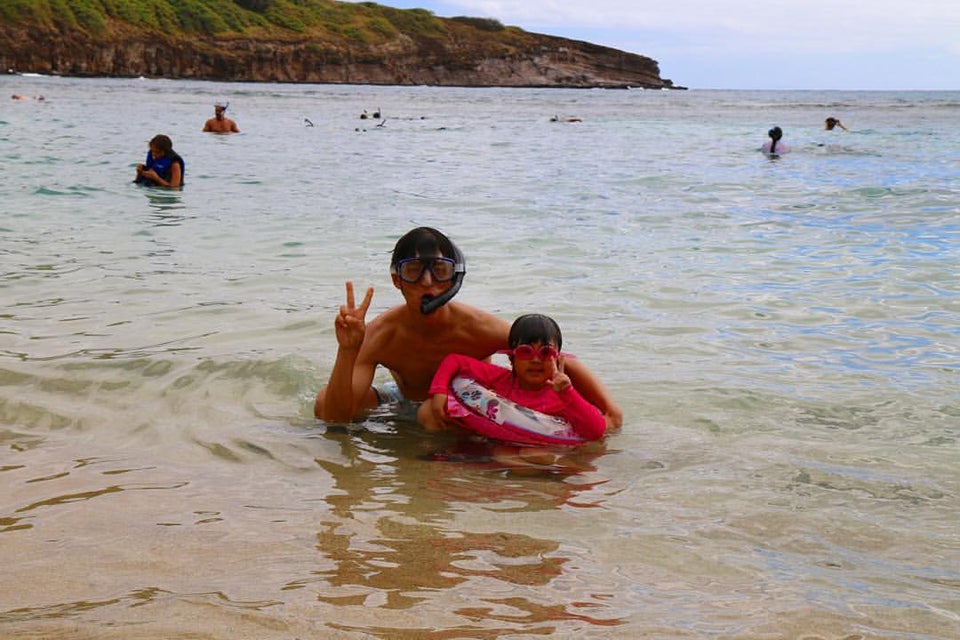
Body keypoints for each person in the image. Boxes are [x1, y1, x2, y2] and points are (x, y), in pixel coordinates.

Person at [314, 227, 623, 430]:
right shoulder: (382, 335)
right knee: (321, 404)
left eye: (439, 271)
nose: (427, 283)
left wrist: (608, 410)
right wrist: (348, 349)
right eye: (413, 271)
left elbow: (549, 354)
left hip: (465, 405)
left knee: (432, 418)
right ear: (396, 280)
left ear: (453, 276)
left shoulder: (477, 328)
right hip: (402, 401)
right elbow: (336, 416)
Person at [417, 313, 607, 441]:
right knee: (427, 411)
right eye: (525, 352)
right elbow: (455, 360)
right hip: (494, 440)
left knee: (526, 459)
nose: (535, 360)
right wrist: (440, 391)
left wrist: (568, 393)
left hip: (537, 449)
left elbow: (596, 430)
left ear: (557, 359)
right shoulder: (501, 379)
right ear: (511, 357)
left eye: (545, 353)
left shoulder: (561, 396)